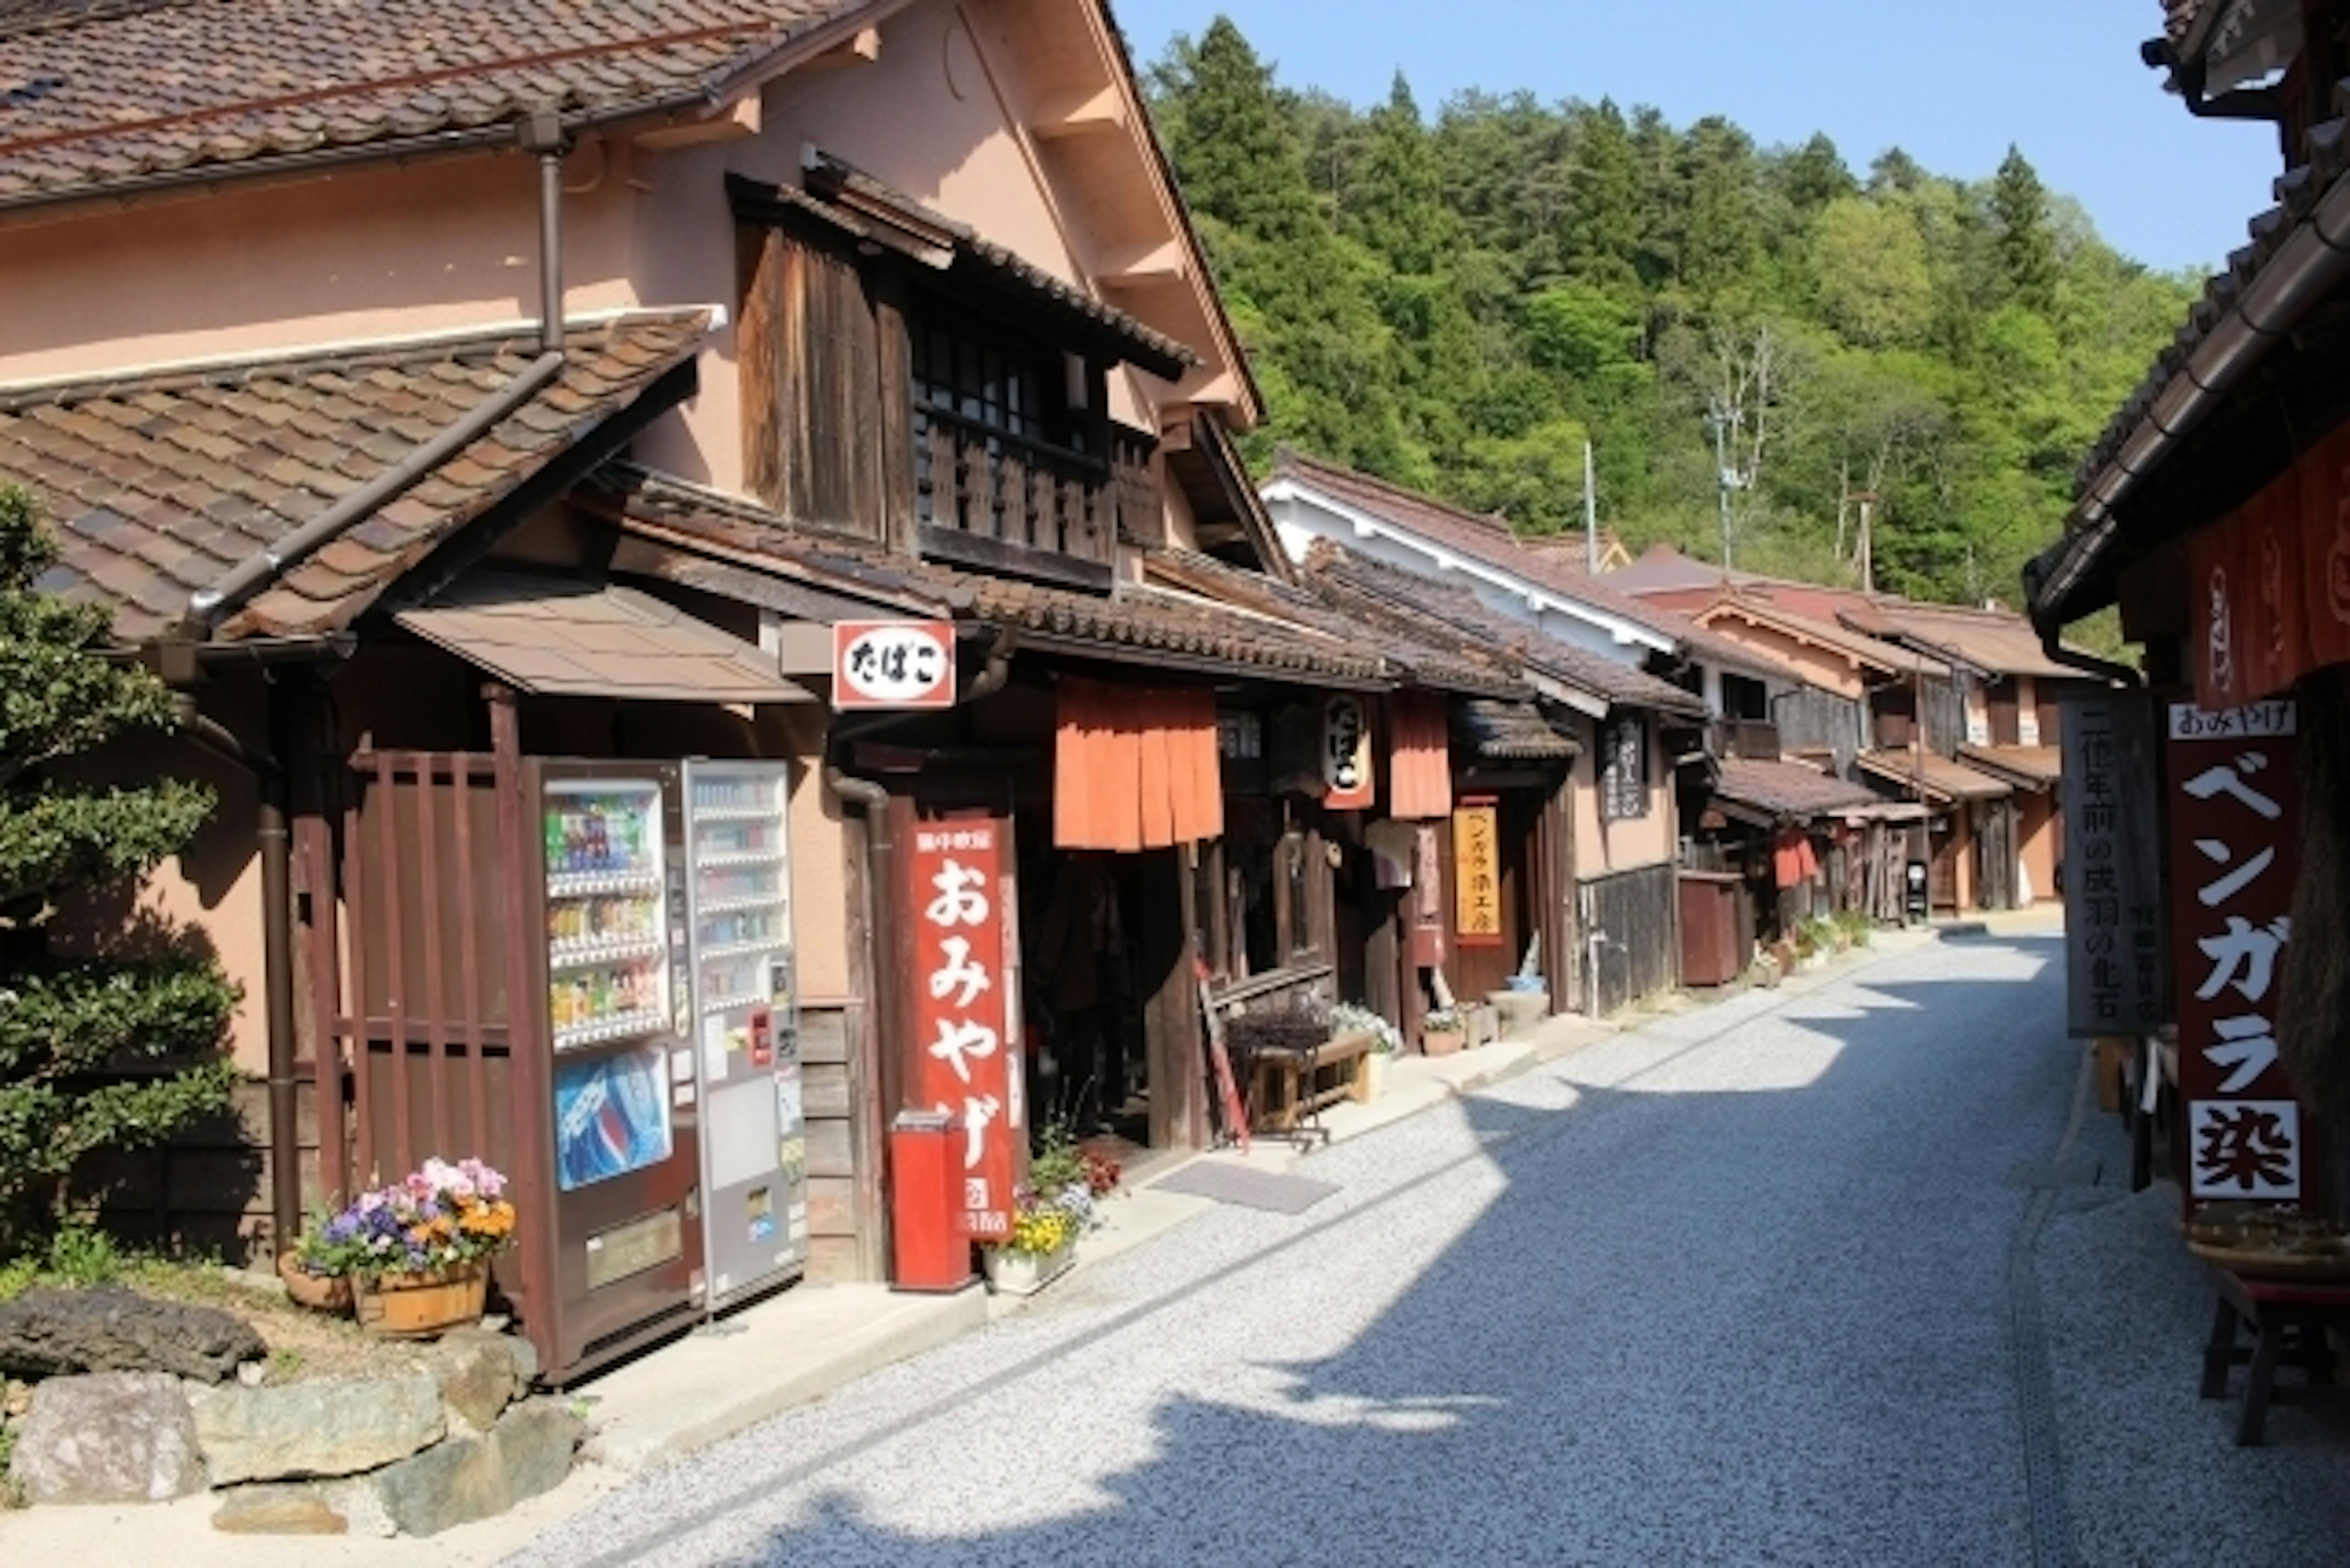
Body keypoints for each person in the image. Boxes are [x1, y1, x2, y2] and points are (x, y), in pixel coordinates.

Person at [1035, 853, 1122, 1131]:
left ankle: (1095, 1104)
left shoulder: (1104, 875)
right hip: (1080, 972)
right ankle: (1077, 1111)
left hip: (1103, 965)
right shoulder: (1074, 875)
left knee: (1101, 1040)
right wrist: (1045, 968)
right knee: (1076, 1047)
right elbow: (1059, 924)